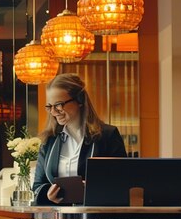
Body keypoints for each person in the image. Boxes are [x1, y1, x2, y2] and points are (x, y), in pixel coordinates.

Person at [33, 73, 127, 205]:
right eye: (50, 107)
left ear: (80, 100)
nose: (54, 112)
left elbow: (123, 182)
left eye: (59, 105)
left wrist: (93, 189)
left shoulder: (107, 136)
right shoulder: (50, 140)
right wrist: (49, 194)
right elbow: (37, 185)